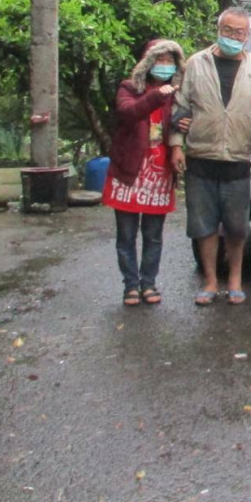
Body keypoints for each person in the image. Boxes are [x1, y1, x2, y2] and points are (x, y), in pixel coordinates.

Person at [171, 7, 251, 306]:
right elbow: (180, 106)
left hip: (237, 158)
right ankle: (211, 281)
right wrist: (177, 144)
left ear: (247, 35)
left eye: (239, 32)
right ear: (218, 29)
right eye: (227, 30)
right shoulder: (196, 63)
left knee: (236, 226)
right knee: (203, 224)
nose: (232, 36)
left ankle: (235, 280)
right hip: (200, 155)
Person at [104, 39, 185, 307]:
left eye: (169, 61)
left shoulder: (178, 93)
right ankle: (130, 285)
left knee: (153, 235)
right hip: (129, 172)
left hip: (159, 175)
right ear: (148, 62)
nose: (164, 66)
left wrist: (184, 124)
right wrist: (156, 96)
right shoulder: (130, 88)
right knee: (126, 235)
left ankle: (148, 283)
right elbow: (128, 113)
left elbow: (181, 124)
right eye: (159, 60)